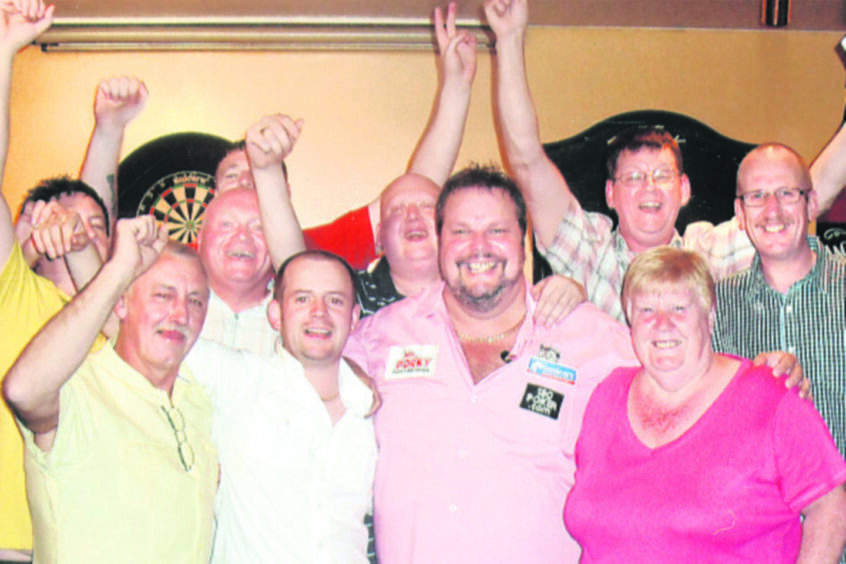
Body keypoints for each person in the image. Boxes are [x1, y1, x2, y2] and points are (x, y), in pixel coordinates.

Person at [344, 164, 639, 562]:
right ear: (440, 240)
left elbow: (684, 398)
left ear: (523, 241)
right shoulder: (379, 336)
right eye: (461, 231)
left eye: (497, 230)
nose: (478, 246)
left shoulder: (593, 340)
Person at [485, 0, 846, 322]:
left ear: (684, 189)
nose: (650, 187)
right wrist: (510, 40)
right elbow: (527, 160)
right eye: (634, 177)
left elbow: (809, 193)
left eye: (662, 175)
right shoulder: (590, 251)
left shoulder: (709, 252)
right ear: (610, 193)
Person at [564, 246, 846, 562]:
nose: (662, 324)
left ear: (709, 315)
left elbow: (830, 505)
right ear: (629, 320)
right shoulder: (607, 395)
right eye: (646, 310)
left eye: (679, 308)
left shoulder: (768, 395)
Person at [0, 3, 147, 558]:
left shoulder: (121, 326)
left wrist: (110, 129)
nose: (81, 231)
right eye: (65, 218)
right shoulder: (12, 289)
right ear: (26, 225)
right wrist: (5, 50)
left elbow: (101, 273)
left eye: (95, 227)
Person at [3, 217, 218, 563]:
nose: (180, 313)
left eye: (196, 301)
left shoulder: (198, 405)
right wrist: (120, 269)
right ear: (120, 304)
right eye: (163, 295)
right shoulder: (80, 386)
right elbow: (22, 390)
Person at [185, 250, 377, 562]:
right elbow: (139, 335)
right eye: (303, 299)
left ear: (354, 318)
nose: (319, 313)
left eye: (335, 301)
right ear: (275, 315)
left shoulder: (369, 408)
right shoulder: (238, 378)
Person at [713, 144, 846, 458]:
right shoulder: (715, 305)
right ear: (740, 214)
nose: (772, 210)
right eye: (756, 196)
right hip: (755, 506)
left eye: (787, 193)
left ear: (812, 204)